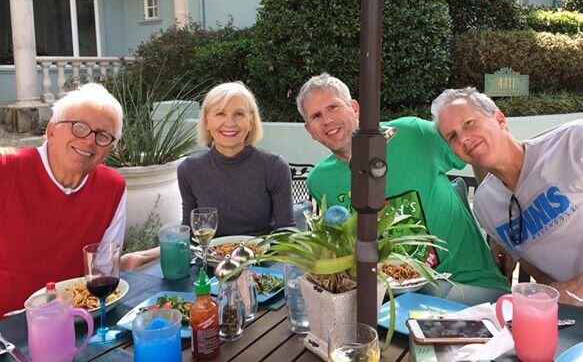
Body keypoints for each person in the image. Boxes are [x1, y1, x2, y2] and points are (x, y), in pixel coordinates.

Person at [296, 74, 509, 293]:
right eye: (316, 116)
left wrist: (500, 227)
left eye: (333, 107)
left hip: (470, 284)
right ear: (310, 130)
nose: (327, 120)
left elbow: (481, 151)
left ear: (355, 108)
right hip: (392, 299)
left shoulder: (412, 133)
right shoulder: (320, 180)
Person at [431, 87, 583, 305]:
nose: (463, 138)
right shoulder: (486, 205)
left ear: (500, 119)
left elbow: (572, 288)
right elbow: (542, 276)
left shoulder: (578, 142)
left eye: (468, 123)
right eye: (452, 136)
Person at [121, 82, 294, 269]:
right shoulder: (190, 170)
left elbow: (285, 233)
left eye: (239, 114)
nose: (230, 123)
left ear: (251, 121)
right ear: (206, 121)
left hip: (261, 265)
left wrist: (276, 276)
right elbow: (192, 235)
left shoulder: (274, 166)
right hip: (208, 267)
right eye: (220, 114)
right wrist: (143, 255)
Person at [0, 83, 126, 315]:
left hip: (75, 321)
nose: (89, 141)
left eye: (103, 136)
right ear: (51, 130)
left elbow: (103, 269)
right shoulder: (6, 168)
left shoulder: (113, 187)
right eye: (79, 127)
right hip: (6, 328)